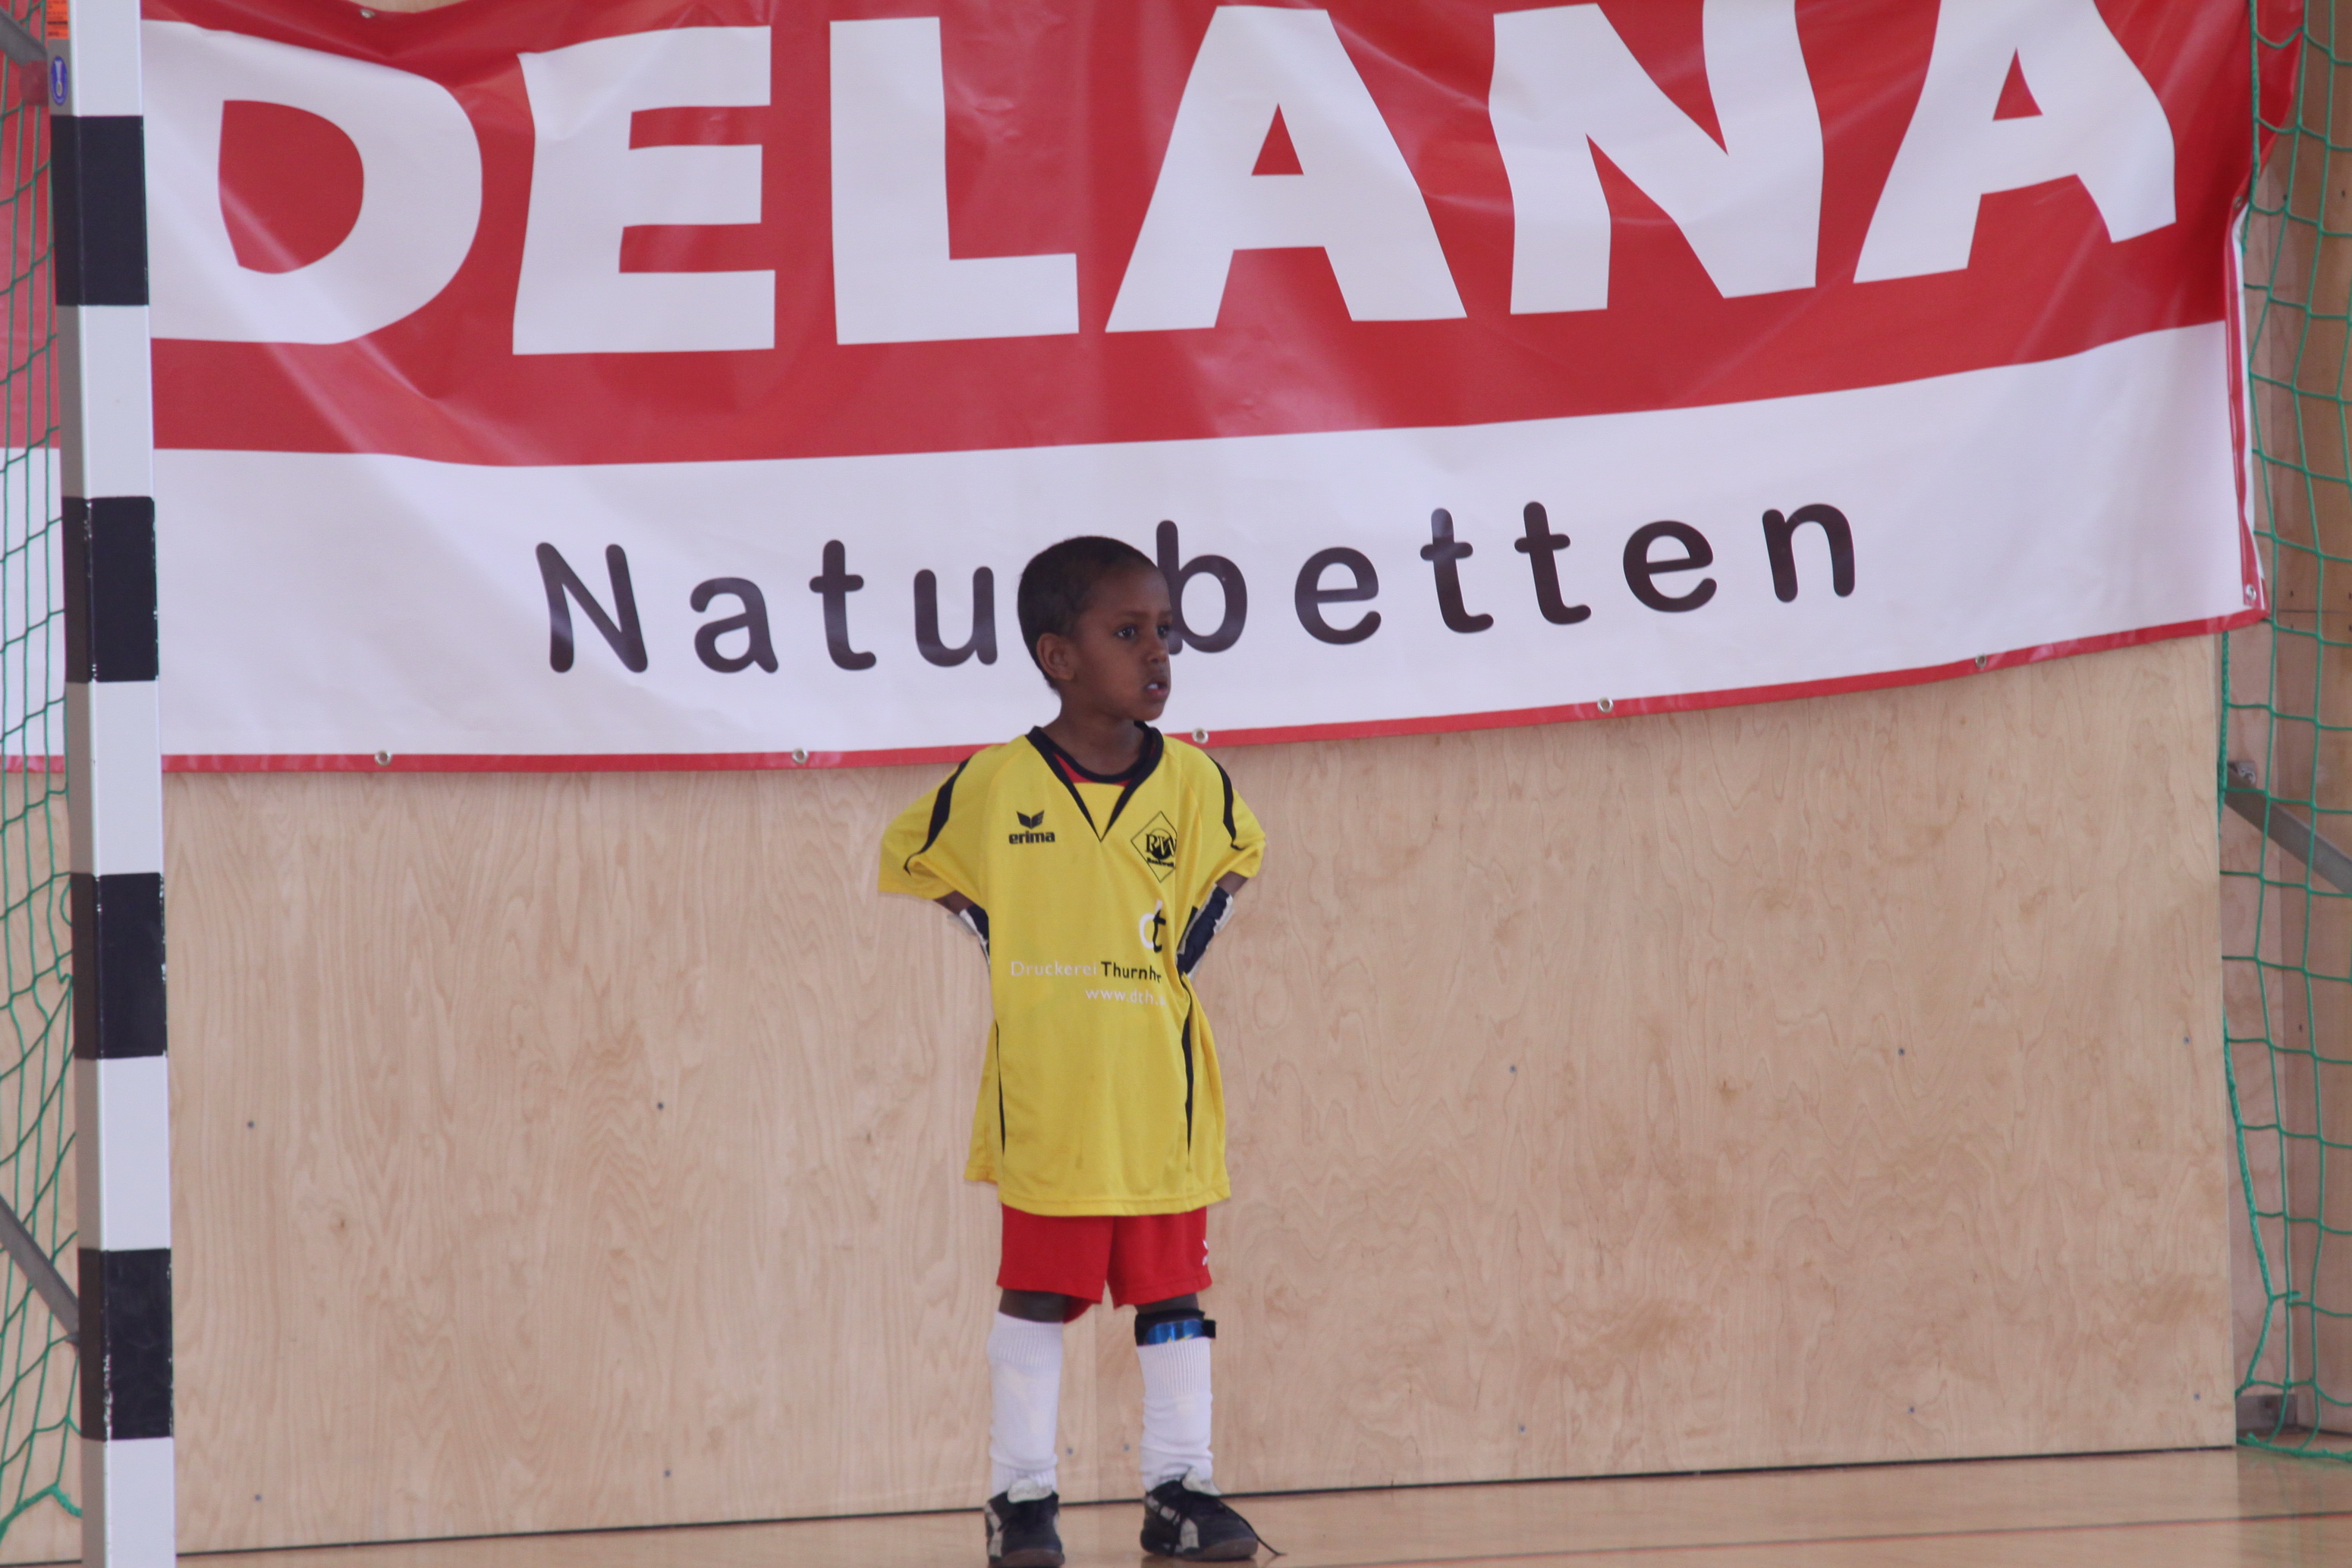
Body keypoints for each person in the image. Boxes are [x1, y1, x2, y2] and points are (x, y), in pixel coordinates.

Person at [879, 536, 1268, 1566]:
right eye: (1128, 632)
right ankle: (1022, 1498)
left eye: (1165, 631)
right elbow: (911, 853)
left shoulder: (1194, 780)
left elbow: (1241, 855)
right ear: (1058, 655)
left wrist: (1203, 925)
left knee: (1172, 1297)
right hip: (1050, 1091)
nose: (1158, 652)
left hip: (1158, 1094)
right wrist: (992, 924)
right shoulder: (998, 780)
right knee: (1041, 1294)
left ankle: (1181, 1488)